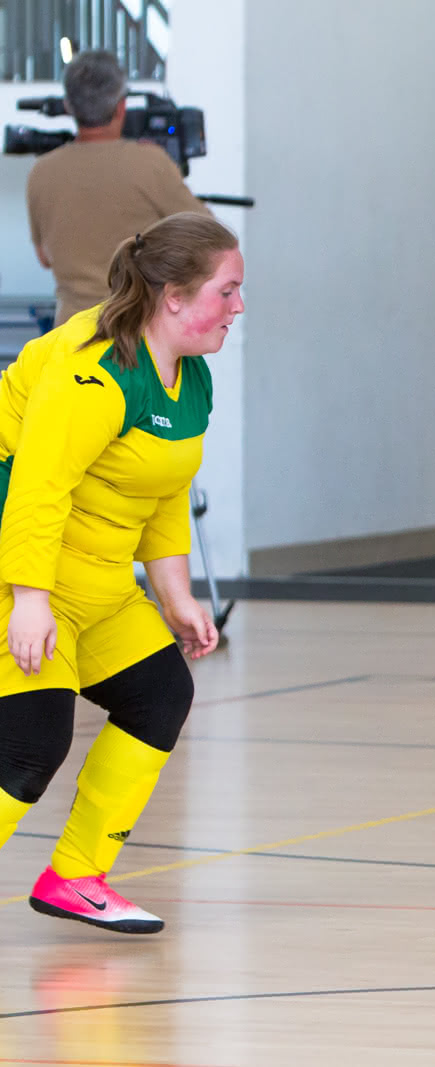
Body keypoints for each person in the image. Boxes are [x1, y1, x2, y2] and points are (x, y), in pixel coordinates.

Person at [0, 211, 242, 934]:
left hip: (96, 578)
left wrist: (176, 594)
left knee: (160, 693)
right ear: (172, 295)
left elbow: (164, 487)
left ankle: (76, 873)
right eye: (226, 291)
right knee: (30, 745)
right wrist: (29, 600)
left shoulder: (190, 378)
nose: (239, 306)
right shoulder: (97, 371)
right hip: (23, 567)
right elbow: (36, 488)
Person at [26, 49, 208, 324]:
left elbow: (44, 258)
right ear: (121, 106)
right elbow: (207, 236)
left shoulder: (41, 172)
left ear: (69, 106)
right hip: (136, 333)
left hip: (69, 337)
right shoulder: (149, 163)